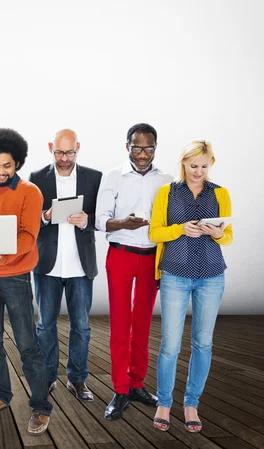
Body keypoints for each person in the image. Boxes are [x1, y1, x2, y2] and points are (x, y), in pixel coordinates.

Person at [0, 128, 53, 436]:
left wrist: (0, 260)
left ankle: (40, 406)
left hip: (17, 278)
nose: (1, 171)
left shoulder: (30, 192)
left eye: (7, 166)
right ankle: (1, 395)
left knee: (27, 345)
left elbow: (28, 236)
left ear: (16, 163)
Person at [150, 140, 232, 433]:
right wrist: (180, 229)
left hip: (211, 274)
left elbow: (229, 235)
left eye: (204, 166)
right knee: (170, 344)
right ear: (183, 163)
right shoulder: (167, 192)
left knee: (203, 343)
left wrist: (218, 233)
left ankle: (191, 403)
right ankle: (163, 403)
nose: (198, 172)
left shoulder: (220, 193)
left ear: (211, 165)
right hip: (175, 273)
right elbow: (154, 231)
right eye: (193, 165)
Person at [95, 123, 173, 421]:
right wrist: (122, 223)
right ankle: (120, 388)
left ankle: (137, 383)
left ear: (155, 147)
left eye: (149, 148)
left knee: (142, 322)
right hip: (122, 255)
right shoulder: (114, 176)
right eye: (137, 148)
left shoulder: (166, 180)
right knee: (120, 322)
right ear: (127, 146)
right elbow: (102, 220)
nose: (143, 154)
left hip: (152, 258)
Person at [29, 129, 102, 402]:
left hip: (81, 266)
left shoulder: (94, 177)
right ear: (51, 147)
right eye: (59, 152)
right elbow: (29, 222)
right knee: (45, 325)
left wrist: (87, 220)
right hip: (48, 265)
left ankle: (77, 378)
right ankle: (49, 378)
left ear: (78, 148)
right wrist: (46, 216)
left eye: (70, 152)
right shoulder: (37, 178)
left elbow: (102, 216)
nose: (64, 158)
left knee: (81, 326)